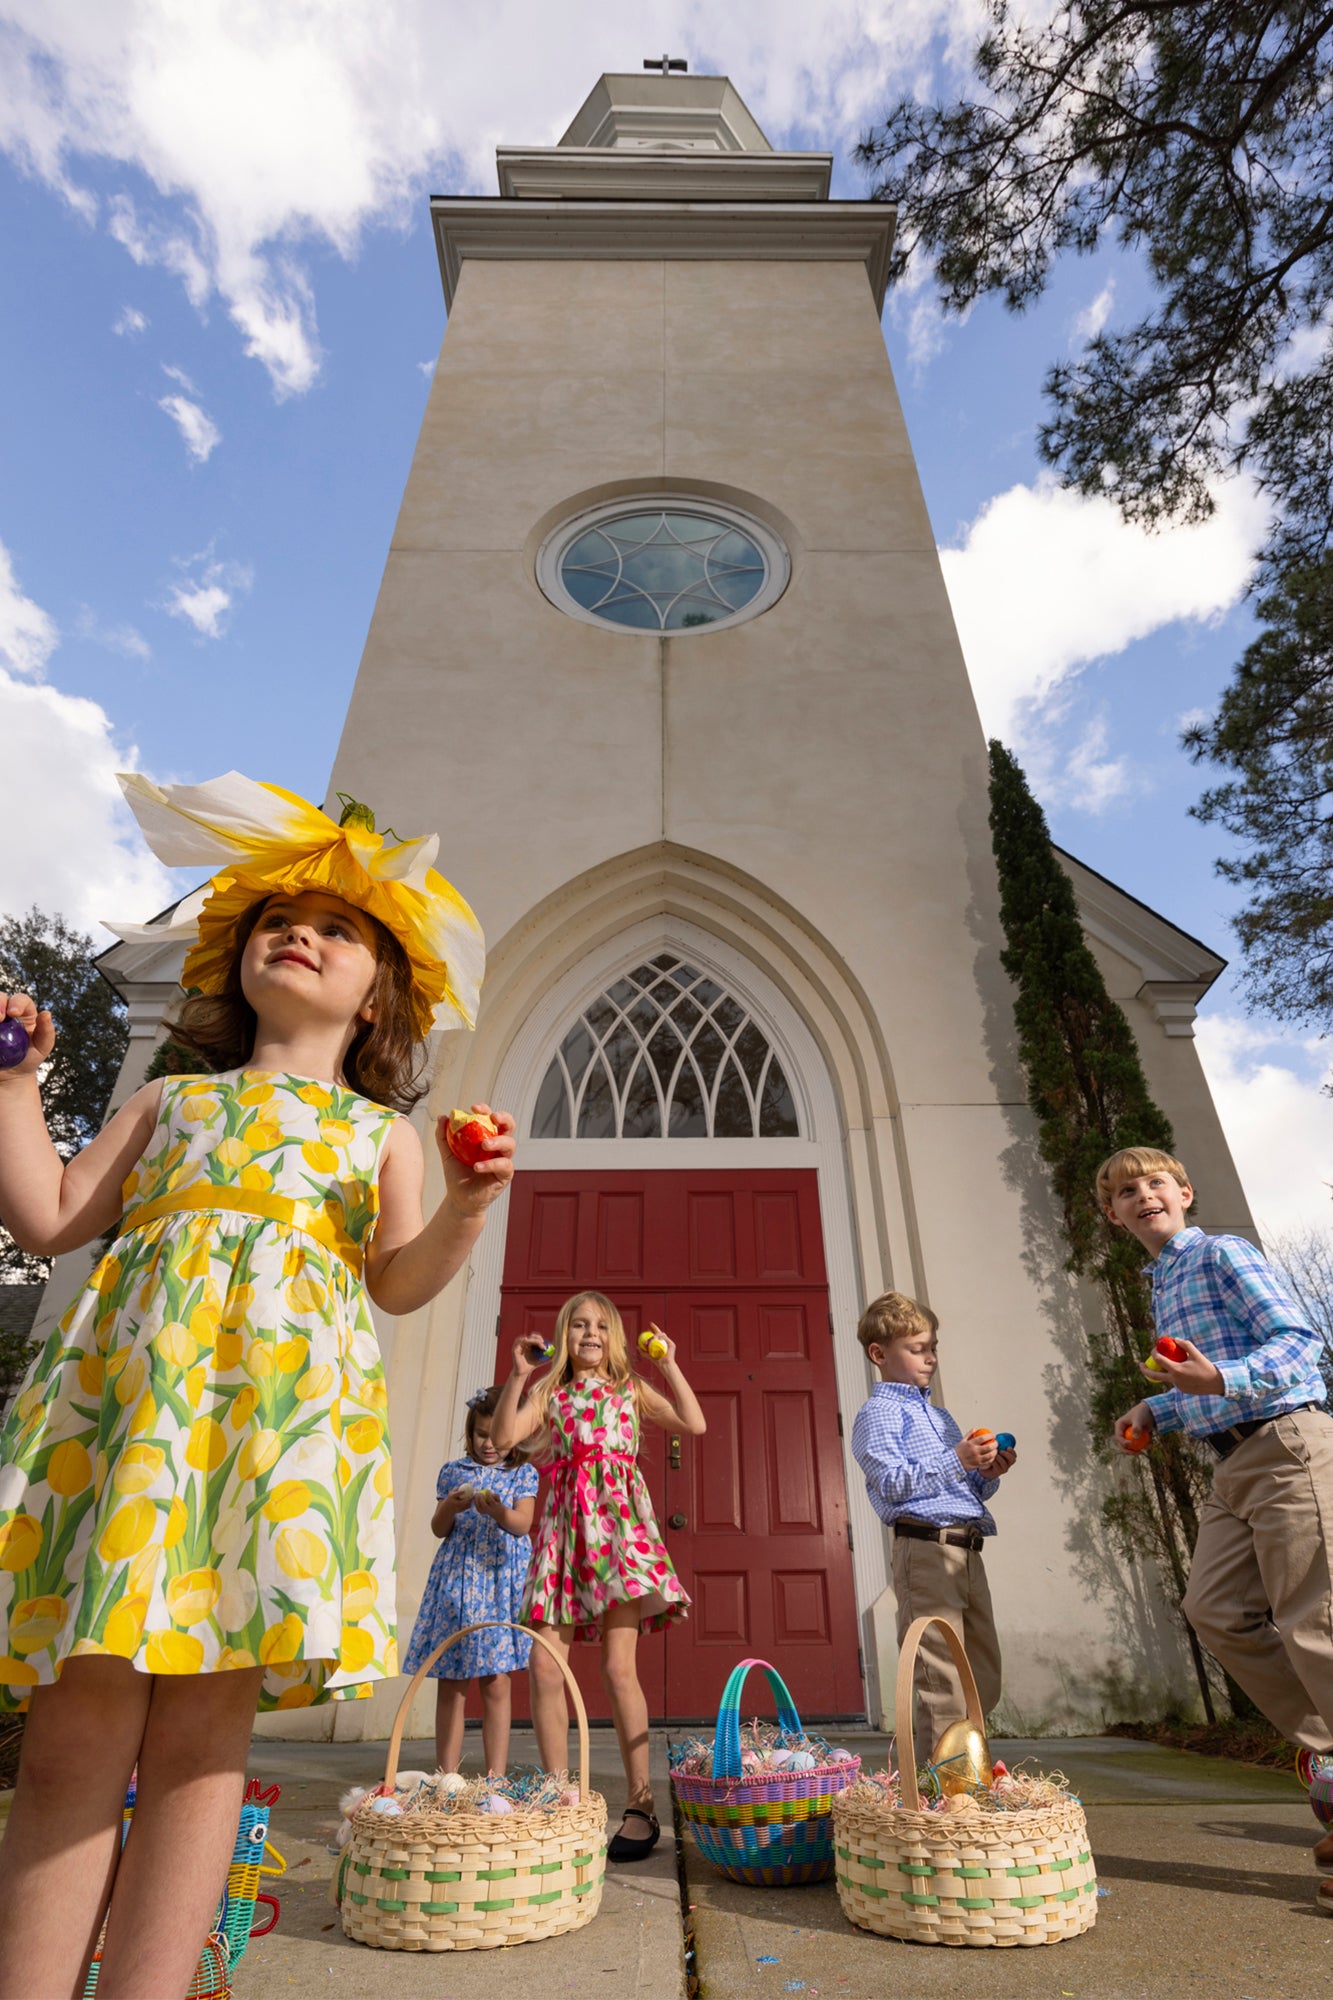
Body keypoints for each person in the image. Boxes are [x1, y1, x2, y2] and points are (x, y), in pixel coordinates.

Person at [0, 771, 514, 1999]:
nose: (306, 933)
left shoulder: (375, 1133)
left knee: (199, 1739)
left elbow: (396, 1283)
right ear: (235, 961)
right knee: (77, 1725)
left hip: (274, 1445)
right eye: (283, 920)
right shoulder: (169, 1099)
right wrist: (17, 1085)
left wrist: (471, 1203)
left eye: (340, 928)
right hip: (128, 1430)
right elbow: (48, 1213)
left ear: (380, 989)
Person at [1104, 1145, 1333, 1906]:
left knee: (1311, 1623)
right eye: (1125, 1192)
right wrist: (1155, 1406)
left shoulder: (1221, 1254)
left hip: (1285, 1443)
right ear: (1112, 1214)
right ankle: (1326, 1754)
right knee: (1212, 1609)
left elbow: (1300, 1345)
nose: (1143, 1196)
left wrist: (1219, 1379)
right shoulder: (1159, 1282)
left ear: (1184, 1192)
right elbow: (1197, 1382)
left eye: (1155, 1184)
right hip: (1229, 1464)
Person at [489, 1291, 705, 1862]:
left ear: (613, 1337)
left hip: (618, 1537)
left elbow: (694, 1422)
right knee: (543, 1663)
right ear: (564, 1336)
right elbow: (506, 1438)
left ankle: (641, 1804)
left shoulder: (629, 1390)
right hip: (562, 1537)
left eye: (601, 1326)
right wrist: (518, 1374)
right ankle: (561, 1795)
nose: (590, 1334)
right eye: (579, 1325)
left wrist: (669, 1363)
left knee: (617, 1668)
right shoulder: (549, 1392)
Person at [850, 1291, 1016, 1755]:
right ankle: (937, 1796)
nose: (930, 1358)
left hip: (966, 1549)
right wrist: (957, 1457)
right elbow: (891, 1485)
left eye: (933, 1347)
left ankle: (966, 1772)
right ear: (879, 1354)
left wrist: (984, 1473)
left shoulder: (938, 1415)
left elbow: (957, 1486)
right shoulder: (878, 1414)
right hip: (924, 1550)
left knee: (980, 1672)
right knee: (939, 1676)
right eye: (917, 1349)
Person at [402, 1385, 539, 1775]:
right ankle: (447, 1776)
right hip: (458, 1585)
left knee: (496, 1680)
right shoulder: (453, 1472)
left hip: (499, 1585)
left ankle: (495, 1776)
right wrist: (449, 1505)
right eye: (481, 1434)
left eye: (496, 1435)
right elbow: (438, 1528)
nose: (488, 1444)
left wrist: (498, 1512)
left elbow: (522, 1524)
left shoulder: (522, 1475)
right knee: (451, 1680)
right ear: (470, 1433)